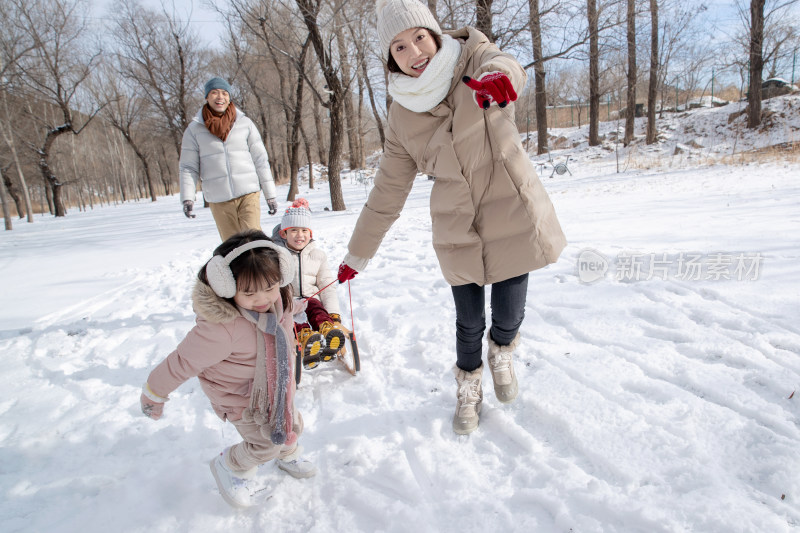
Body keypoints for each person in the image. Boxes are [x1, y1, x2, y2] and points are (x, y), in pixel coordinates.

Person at [337, 0, 567, 435]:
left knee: (507, 315)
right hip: (456, 223)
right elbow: (388, 190)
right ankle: (469, 386)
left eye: (419, 37)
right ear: (391, 59)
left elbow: (506, 64)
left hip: (510, 206)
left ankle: (501, 351)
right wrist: (357, 253)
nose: (414, 52)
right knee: (468, 322)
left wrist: (501, 80)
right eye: (399, 47)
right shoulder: (401, 115)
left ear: (435, 34)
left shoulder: (476, 59)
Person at [139, 229, 316, 508]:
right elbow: (182, 361)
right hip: (240, 397)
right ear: (226, 286)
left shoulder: (278, 296)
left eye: (270, 288)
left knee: (292, 422)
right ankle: (231, 466)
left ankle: (288, 452)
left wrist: (295, 307)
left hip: (278, 384)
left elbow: (280, 302)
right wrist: (154, 392)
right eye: (248, 292)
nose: (263, 299)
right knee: (263, 443)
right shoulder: (222, 328)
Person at [179, 77, 279, 241]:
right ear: (206, 97)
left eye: (224, 93)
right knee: (232, 247)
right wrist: (187, 198)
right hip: (219, 199)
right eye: (214, 93)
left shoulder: (244, 123)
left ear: (229, 97)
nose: (220, 97)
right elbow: (188, 167)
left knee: (254, 242)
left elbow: (260, 159)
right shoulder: (194, 130)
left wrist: (270, 195)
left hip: (248, 193)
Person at [272, 199, 346, 368]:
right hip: (289, 301)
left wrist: (333, 313)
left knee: (317, 309)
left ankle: (328, 332)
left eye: (304, 230)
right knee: (293, 318)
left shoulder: (318, 256)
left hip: (310, 298)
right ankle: (307, 339)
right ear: (284, 233)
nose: (300, 235)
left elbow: (327, 285)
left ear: (310, 233)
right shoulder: (277, 256)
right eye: (294, 231)